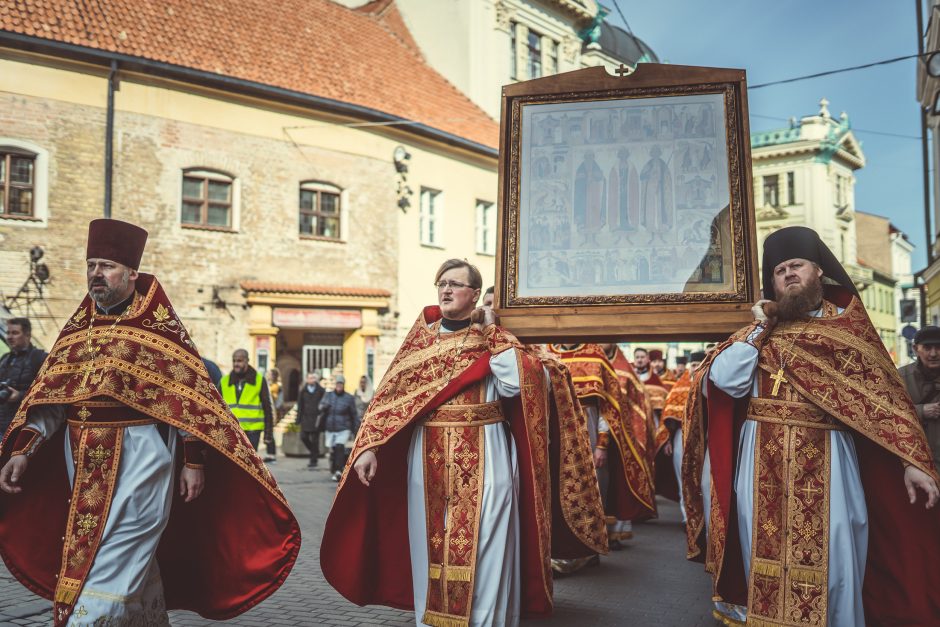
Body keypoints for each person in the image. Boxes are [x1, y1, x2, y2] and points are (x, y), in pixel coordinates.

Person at [0, 219, 299, 625]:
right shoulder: (75, 332)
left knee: (110, 567)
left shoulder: (158, 330)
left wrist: (194, 462)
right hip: (82, 464)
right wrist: (24, 451)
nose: (96, 274)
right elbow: (53, 401)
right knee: (117, 562)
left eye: (106, 266)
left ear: (132, 274)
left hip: (141, 463)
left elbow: (191, 402)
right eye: (91, 265)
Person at [321, 259, 606, 627]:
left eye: (455, 284)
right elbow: (389, 400)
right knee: (430, 542)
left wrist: (492, 333)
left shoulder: (494, 342)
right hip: (427, 454)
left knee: (488, 543)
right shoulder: (420, 342)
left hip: (488, 450)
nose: (445, 289)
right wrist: (369, 447)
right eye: (441, 282)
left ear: (475, 295)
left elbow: (518, 384)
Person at [683, 226, 940, 626]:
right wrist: (759, 328)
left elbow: (885, 404)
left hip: (831, 465)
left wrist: (910, 461)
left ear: (818, 271)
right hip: (761, 467)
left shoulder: (849, 333)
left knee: (837, 560)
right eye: (780, 269)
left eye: (796, 265)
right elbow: (725, 380)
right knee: (762, 561)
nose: (788, 274)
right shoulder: (760, 334)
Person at [547, 343, 656, 553]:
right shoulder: (547, 351)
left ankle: (593, 543)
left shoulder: (594, 353)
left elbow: (607, 408)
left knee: (593, 484)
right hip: (556, 426)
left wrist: (602, 445)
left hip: (589, 425)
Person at [653, 350, 704, 524]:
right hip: (681, 437)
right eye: (694, 365)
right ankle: (686, 518)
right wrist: (667, 439)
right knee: (683, 475)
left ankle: (704, 517)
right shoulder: (680, 387)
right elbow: (668, 415)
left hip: (705, 436)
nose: (696, 368)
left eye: (699, 365)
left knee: (703, 478)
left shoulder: (710, 384)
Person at [220, 349, 276, 462]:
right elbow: (217, 406)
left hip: (252, 431)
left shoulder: (259, 380)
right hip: (232, 430)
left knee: (249, 463)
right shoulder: (224, 381)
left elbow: (267, 407)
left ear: (247, 361)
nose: (236, 364)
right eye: (234, 361)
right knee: (232, 462)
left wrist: (268, 434)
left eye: (239, 361)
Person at [0, 318, 46, 441]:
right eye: (8, 333)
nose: (9, 337)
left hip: (23, 426)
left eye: (15, 333)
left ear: (27, 335)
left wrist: (19, 396)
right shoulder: (5, 358)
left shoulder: (40, 358)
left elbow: (48, 392)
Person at [899, 326, 940, 465]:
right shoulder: (900, 377)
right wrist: (921, 411)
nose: (934, 354)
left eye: (938, 347)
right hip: (916, 461)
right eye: (927, 348)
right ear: (916, 349)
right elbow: (885, 412)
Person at [319, 374, 358, 481]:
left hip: (343, 427)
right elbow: (320, 406)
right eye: (337, 383)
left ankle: (338, 471)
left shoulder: (349, 398)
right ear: (335, 384)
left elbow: (354, 414)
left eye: (341, 383)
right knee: (333, 449)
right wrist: (324, 406)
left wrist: (356, 429)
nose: (339, 385)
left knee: (340, 447)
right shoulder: (328, 395)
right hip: (330, 427)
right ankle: (334, 467)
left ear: (343, 385)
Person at [296, 371, 325, 469]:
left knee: (315, 440)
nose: (312, 379)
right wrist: (298, 419)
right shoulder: (303, 391)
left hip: (316, 419)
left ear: (316, 379)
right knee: (303, 437)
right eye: (310, 378)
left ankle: (313, 460)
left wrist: (322, 417)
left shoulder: (321, 390)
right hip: (305, 418)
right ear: (307, 379)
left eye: (313, 378)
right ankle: (315, 452)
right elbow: (300, 406)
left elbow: (324, 404)